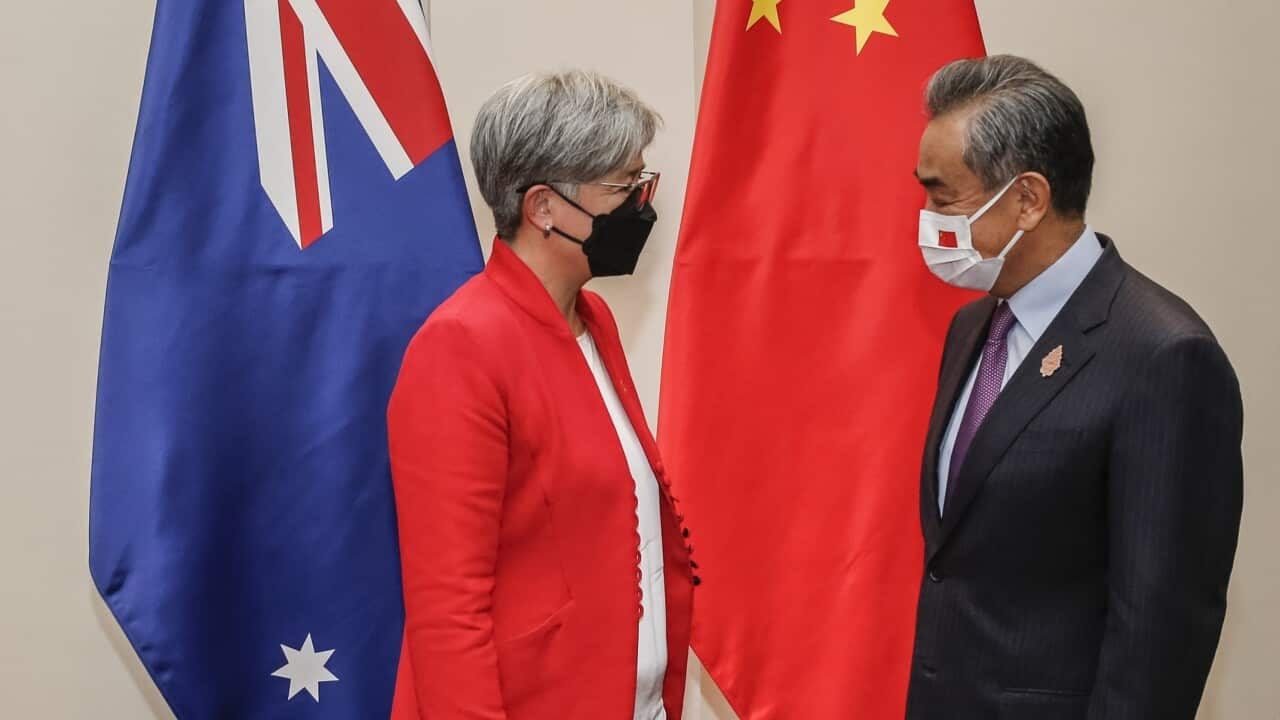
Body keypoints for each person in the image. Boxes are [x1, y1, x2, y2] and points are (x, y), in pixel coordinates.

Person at [908, 55, 1243, 719]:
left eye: (944, 197)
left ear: (1028, 199)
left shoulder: (1163, 355)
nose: (928, 215)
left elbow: (1161, 629)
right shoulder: (973, 326)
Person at [387, 70, 694, 720]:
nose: (642, 204)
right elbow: (448, 610)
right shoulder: (462, 346)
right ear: (543, 207)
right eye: (625, 186)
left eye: (644, 182)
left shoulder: (594, 320)